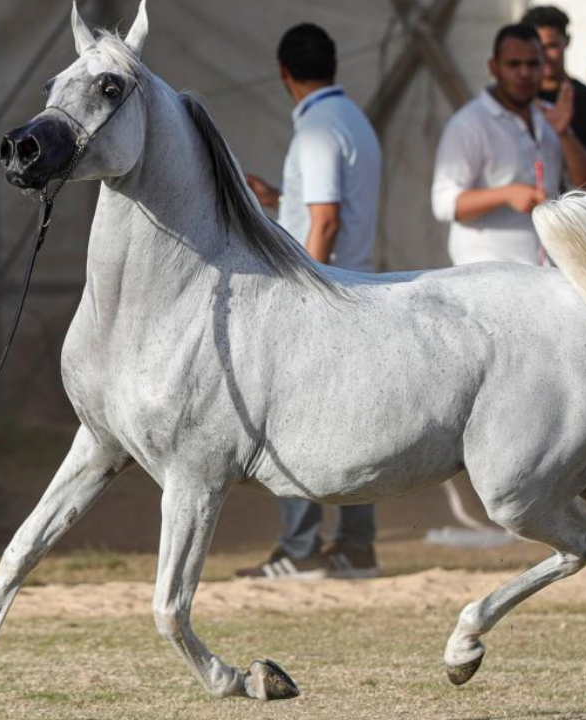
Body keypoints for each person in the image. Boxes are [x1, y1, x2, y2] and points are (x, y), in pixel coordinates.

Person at [237, 23, 382, 579]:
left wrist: (306, 296)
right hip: (357, 288)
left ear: (284, 72)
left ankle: (300, 549)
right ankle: (356, 546)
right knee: (355, 431)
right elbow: (323, 208)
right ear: (333, 64)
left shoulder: (317, 131)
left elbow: (325, 220)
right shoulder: (352, 120)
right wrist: (280, 199)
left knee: (290, 426)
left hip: (325, 295)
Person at [432, 23, 586, 266]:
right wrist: (506, 194)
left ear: (543, 66)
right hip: (487, 273)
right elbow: (444, 204)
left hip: (546, 270)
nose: (524, 73)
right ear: (493, 67)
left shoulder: (549, 116)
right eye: (514, 64)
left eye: (533, 64)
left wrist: (564, 134)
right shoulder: (468, 124)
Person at [520, 5, 586, 189]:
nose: (544, 56)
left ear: (566, 41)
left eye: (551, 46)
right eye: (537, 47)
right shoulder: (515, 105)